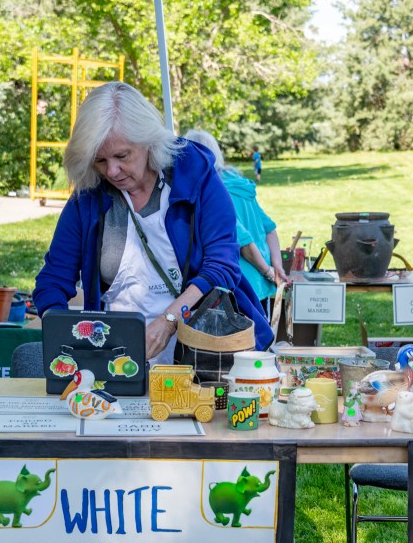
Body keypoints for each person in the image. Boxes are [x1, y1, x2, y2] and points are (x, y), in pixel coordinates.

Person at [33, 82, 271, 366]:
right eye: (100, 160)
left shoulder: (197, 175)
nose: (111, 171)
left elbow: (222, 267)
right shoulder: (88, 197)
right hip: (121, 359)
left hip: (208, 353)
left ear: (148, 141)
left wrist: (168, 320)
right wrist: (63, 334)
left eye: (122, 156)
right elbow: (53, 281)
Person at [184, 129, 288, 315]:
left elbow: (243, 244)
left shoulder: (215, 191)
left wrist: (270, 271)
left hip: (239, 285)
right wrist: (277, 266)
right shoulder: (241, 185)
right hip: (259, 283)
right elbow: (270, 229)